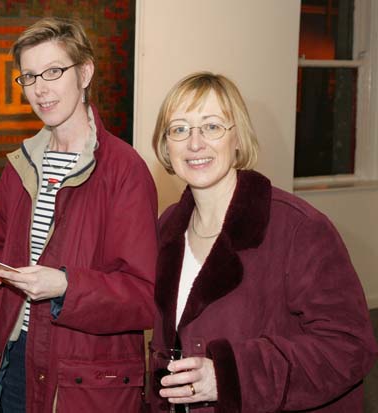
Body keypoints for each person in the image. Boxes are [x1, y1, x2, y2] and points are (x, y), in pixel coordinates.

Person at [148, 71, 378, 412]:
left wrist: (230, 376)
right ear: (165, 144)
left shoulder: (299, 229)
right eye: (179, 129)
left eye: (212, 126)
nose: (194, 143)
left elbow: (349, 347)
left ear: (238, 138)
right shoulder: (168, 225)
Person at [0, 17, 158, 413]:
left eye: (53, 71)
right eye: (29, 76)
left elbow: (143, 296)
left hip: (83, 381)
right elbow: (0, 248)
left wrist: (66, 286)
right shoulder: (19, 164)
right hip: (14, 363)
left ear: (84, 72)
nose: (40, 89)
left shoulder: (125, 169)